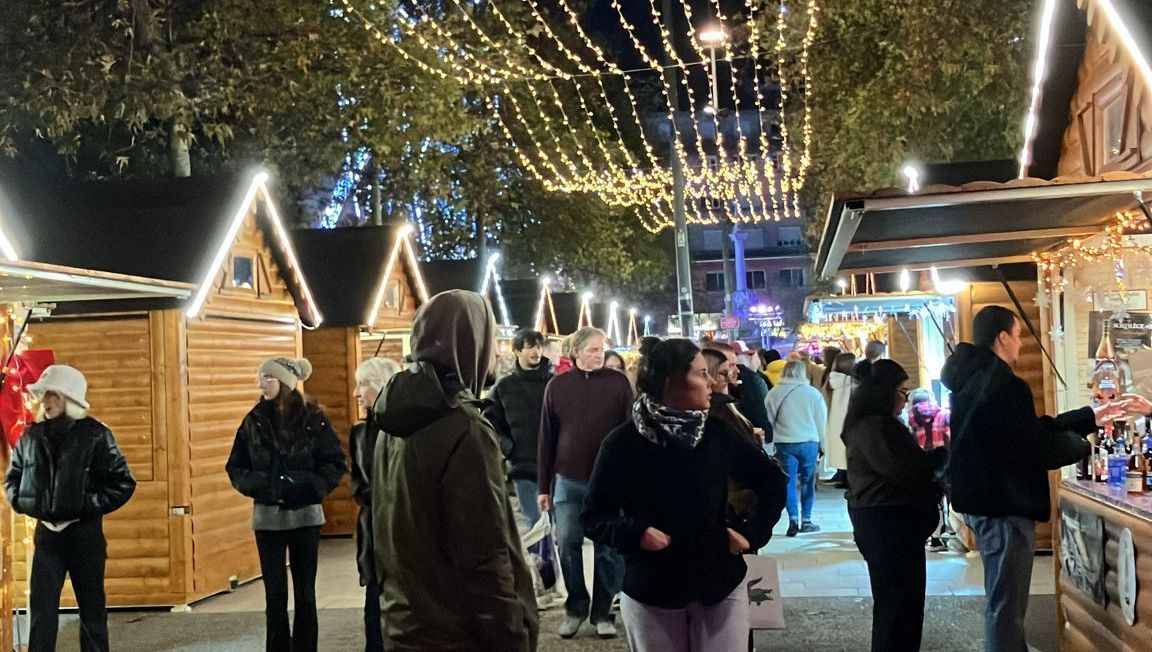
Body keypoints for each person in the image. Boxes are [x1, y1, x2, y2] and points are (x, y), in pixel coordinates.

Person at [582, 339, 787, 652]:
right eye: (701, 374)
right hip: (652, 589)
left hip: (719, 582)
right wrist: (636, 532)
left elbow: (771, 480)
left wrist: (751, 533)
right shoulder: (623, 444)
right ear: (671, 382)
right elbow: (594, 517)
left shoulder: (716, 432)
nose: (711, 383)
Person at [943, 306, 1124, 652]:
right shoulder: (1005, 385)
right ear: (1002, 337)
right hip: (1003, 506)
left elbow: (1026, 430)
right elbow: (1030, 446)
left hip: (983, 501)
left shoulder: (974, 378)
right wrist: (1078, 447)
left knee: (1003, 601)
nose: (1022, 344)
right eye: (1019, 335)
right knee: (1007, 607)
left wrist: (1088, 417)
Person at [371, 290, 538, 650]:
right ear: (470, 344)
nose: (494, 352)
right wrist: (512, 634)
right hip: (459, 631)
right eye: (489, 340)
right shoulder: (464, 428)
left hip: (407, 625)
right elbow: (483, 553)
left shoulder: (392, 418)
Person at [5, 365, 136, 652]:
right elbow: (12, 479)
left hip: (84, 537)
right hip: (47, 539)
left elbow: (123, 483)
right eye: (45, 395)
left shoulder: (96, 435)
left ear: (68, 398)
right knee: (41, 613)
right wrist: (25, 501)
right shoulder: (30, 437)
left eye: (51, 394)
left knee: (91, 612)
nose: (45, 401)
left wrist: (84, 506)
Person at [226, 357, 346, 652]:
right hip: (268, 520)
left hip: (306, 517)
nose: (261, 383)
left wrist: (310, 487)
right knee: (274, 595)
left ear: (284, 382)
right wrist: (266, 488)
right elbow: (236, 467)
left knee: (306, 593)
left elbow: (333, 463)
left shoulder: (314, 419)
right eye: (261, 377)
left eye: (267, 377)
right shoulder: (252, 421)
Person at [843, 359, 948, 651]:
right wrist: (938, 458)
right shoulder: (876, 426)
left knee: (899, 606)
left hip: (888, 523)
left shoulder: (868, 423)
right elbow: (904, 470)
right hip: (889, 526)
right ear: (885, 391)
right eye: (902, 391)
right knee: (898, 608)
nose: (905, 398)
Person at [538, 326, 633, 639]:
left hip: (609, 481)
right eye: (592, 349)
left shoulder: (618, 383)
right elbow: (546, 437)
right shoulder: (557, 386)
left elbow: (630, 431)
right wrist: (543, 485)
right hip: (568, 479)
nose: (599, 354)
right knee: (568, 542)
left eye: (601, 348)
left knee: (608, 549)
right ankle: (576, 605)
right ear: (575, 351)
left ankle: (603, 612)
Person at [349, 357, 401, 652]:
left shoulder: (403, 430)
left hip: (401, 531)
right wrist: (369, 495)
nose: (357, 392)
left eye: (363, 384)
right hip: (372, 532)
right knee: (373, 604)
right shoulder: (358, 433)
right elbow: (356, 479)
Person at [484, 328, 554, 529]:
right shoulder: (504, 386)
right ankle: (541, 560)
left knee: (554, 525)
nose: (536, 351)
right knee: (534, 523)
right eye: (530, 346)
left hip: (553, 465)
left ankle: (552, 560)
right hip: (522, 465)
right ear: (516, 351)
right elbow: (490, 419)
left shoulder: (553, 383)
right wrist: (507, 446)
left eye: (539, 346)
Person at [765, 360, 828, 536]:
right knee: (808, 482)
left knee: (789, 482)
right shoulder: (812, 393)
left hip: (784, 443)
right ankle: (806, 521)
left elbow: (769, 420)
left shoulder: (773, 393)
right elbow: (821, 422)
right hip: (809, 443)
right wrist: (824, 446)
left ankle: (793, 519)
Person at [906, 389, 953, 551]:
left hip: (922, 464)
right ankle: (949, 530)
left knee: (930, 500)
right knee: (946, 498)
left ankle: (934, 538)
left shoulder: (910, 417)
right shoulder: (944, 414)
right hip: (945, 462)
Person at [724, 341, 772, 442]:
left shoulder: (729, 383)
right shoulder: (755, 378)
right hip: (756, 435)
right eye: (749, 355)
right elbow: (763, 410)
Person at [823, 352, 857, 488]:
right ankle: (847, 477)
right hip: (850, 421)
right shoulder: (854, 384)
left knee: (839, 450)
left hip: (835, 421)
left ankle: (841, 475)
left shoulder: (832, 381)